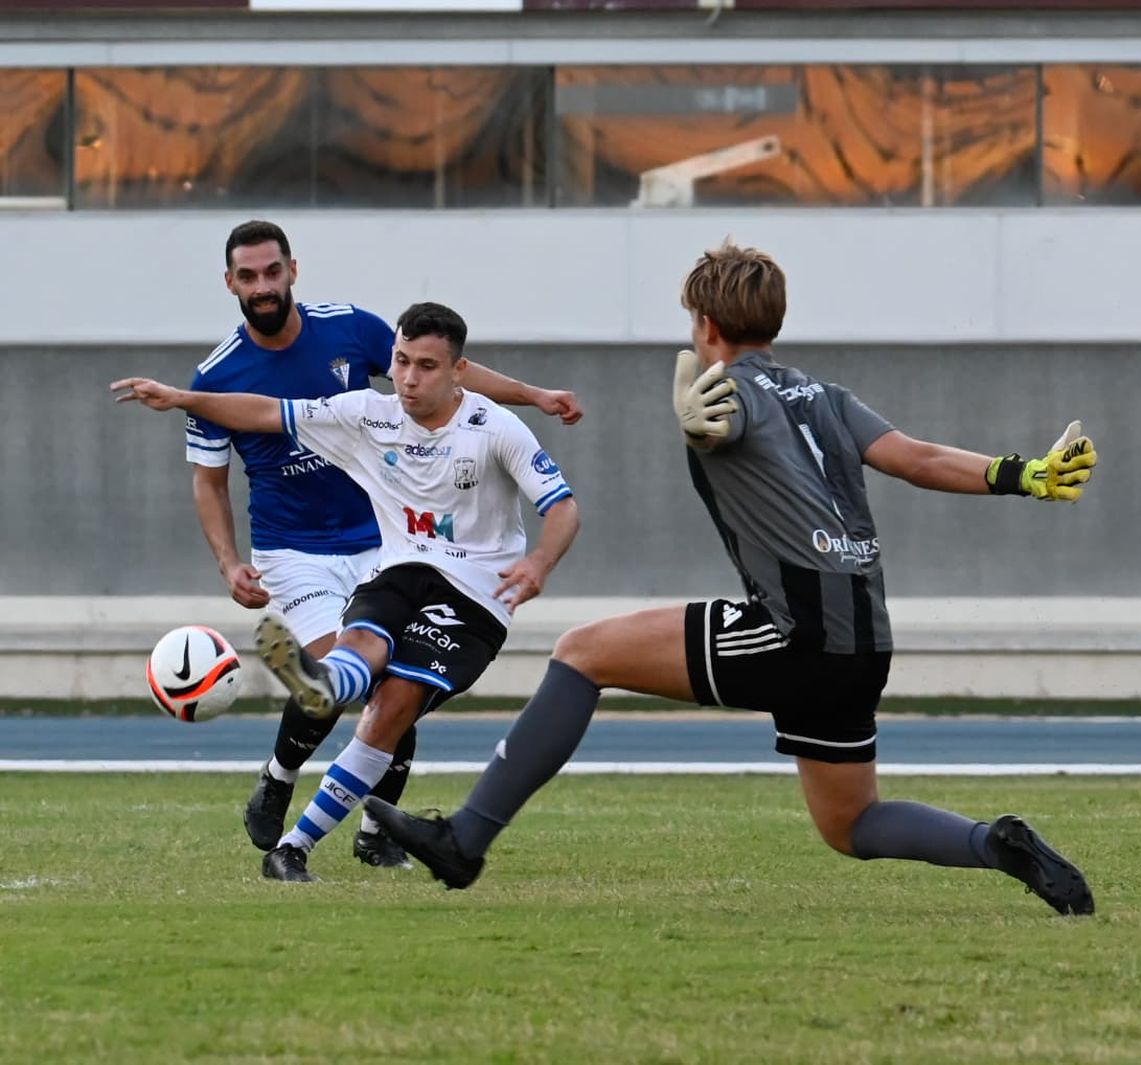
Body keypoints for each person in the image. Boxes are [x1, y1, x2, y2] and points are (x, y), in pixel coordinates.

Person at [365, 241, 1100, 917]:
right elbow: (918, 456)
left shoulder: (727, 393)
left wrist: (697, 424)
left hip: (795, 630)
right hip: (864, 637)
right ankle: (994, 843)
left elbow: (718, 422)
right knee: (851, 822)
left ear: (706, 321)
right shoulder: (826, 396)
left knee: (581, 651)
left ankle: (464, 840)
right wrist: (1024, 473)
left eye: (692, 318)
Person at [115, 301, 582, 883]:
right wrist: (183, 399)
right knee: (358, 642)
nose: (409, 379)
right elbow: (263, 412)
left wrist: (538, 563)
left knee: (391, 708)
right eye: (402, 362)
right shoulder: (366, 414)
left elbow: (562, 508)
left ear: (459, 370)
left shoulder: (494, 428)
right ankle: (321, 696)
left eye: (428, 366)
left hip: (477, 598)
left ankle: (296, 841)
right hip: (399, 571)